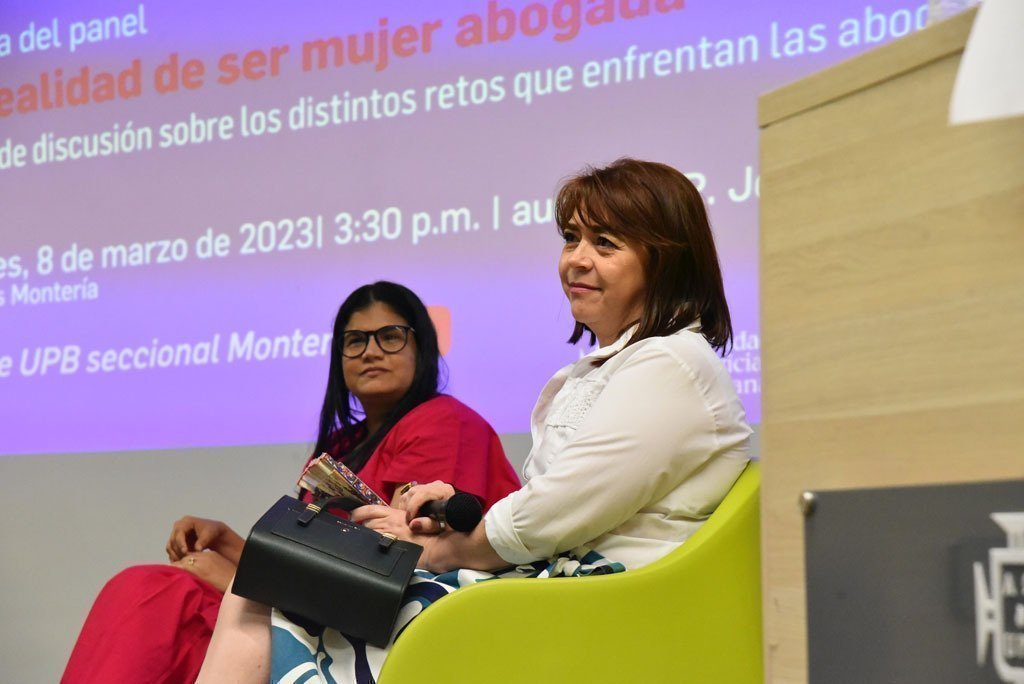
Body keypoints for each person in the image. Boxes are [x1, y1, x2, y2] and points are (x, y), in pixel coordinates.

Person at [197, 159, 753, 684]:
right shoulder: (614, 368)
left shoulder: (673, 363)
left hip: (600, 606)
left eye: (604, 243)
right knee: (271, 585)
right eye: (571, 238)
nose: (576, 260)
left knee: (272, 592)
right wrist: (451, 522)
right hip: (559, 591)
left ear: (668, 261)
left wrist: (433, 549)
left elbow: (548, 515)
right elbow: (557, 510)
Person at [61, 281, 521, 684]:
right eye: (355, 340)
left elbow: (411, 563)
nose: (370, 351)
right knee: (147, 588)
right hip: (321, 613)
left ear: (422, 347)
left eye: (390, 336)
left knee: (156, 593)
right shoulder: (344, 443)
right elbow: (315, 555)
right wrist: (230, 544)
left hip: (391, 625)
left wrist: (236, 579)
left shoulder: (445, 421)